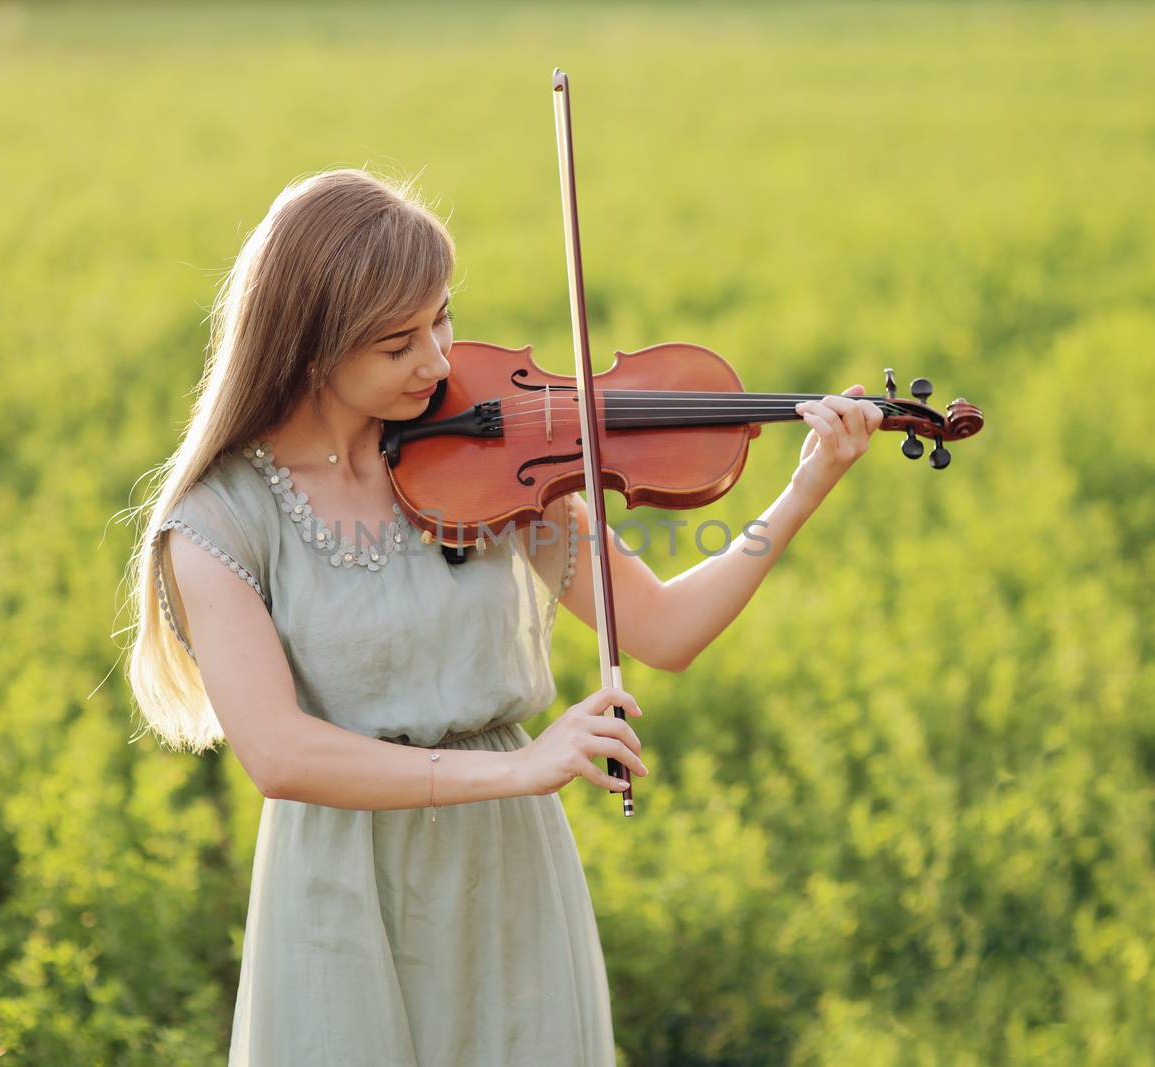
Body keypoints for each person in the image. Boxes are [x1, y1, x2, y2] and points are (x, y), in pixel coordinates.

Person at [121, 167, 882, 1066]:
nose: (440, 362)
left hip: (507, 874)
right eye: (397, 343)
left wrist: (801, 491)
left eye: (440, 318)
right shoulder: (216, 523)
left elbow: (665, 629)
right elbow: (281, 755)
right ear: (311, 348)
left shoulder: (494, 457)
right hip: (342, 887)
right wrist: (522, 766)